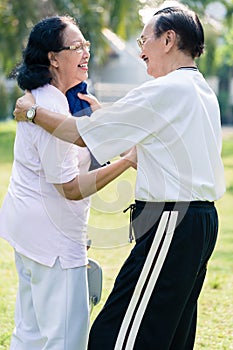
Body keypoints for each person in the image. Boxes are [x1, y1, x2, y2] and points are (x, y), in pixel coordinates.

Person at [13, 2, 226, 349]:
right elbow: (149, 131)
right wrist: (109, 121)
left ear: (168, 39)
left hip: (171, 223)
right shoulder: (200, 90)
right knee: (169, 334)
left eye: (144, 41)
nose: (140, 53)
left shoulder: (164, 90)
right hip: (199, 222)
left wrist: (33, 112)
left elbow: (81, 135)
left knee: (114, 337)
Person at [0, 15, 136, 350]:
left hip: (30, 234)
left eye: (86, 45)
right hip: (52, 244)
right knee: (65, 340)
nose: (86, 52)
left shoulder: (43, 99)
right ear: (53, 58)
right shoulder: (49, 105)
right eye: (77, 47)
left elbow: (74, 152)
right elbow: (71, 188)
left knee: (29, 335)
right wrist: (128, 161)